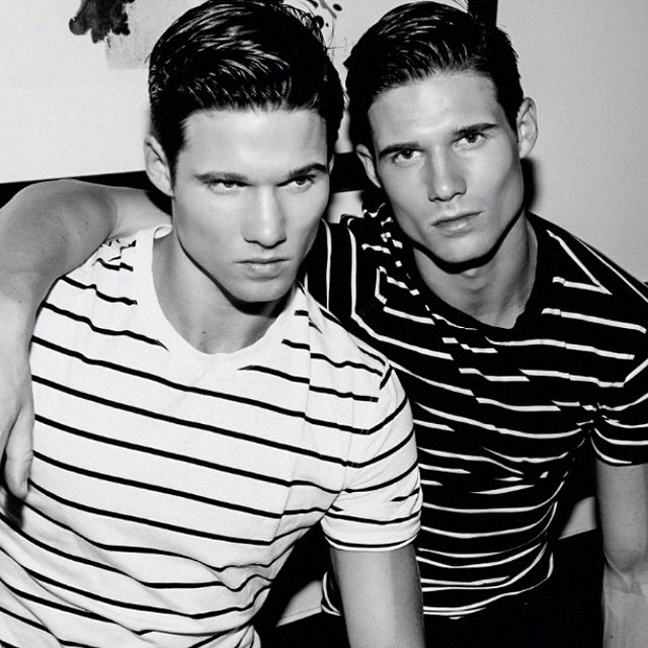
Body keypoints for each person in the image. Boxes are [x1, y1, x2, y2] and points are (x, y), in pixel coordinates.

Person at [0, 1, 647, 647]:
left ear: (522, 129)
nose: (445, 184)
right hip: (353, 609)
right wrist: (7, 308)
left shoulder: (618, 326)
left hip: (519, 607)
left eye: (470, 137)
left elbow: (633, 573)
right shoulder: (336, 264)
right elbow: (88, 206)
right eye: (405, 153)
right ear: (369, 167)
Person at [0, 1, 427, 647]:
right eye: (227, 184)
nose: (269, 230)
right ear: (160, 167)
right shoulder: (45, 316)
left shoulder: (356, 399)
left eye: (300, 181)